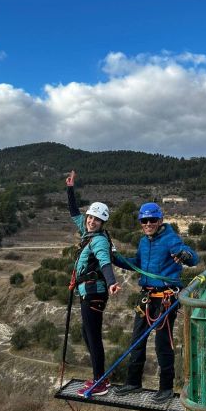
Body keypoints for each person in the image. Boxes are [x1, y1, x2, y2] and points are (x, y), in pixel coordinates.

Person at [114, 202, 198, 402]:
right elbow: (137, 263)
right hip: (146, 297)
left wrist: (187, 255)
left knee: (162, 344)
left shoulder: (170, 239)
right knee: (137, 340)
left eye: (152, 220)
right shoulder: (144, 242)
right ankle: (133, 382)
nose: (148, 223)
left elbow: (192, 258)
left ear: (160, 220)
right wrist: (114, 258)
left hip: (165, 299)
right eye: (144, 220)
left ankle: (166, 388)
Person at [66, 170, 121, 396]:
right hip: (87, 293)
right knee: (87, 333)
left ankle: (100, 381)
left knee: (93, 335)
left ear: (102, 223)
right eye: (90, 217)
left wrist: (112, 282)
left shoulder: (98, 241)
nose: (91, 221)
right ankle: (100, 377)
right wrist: (70, 189)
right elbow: (73, 213)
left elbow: (105, 262)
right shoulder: (87, 231)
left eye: (96, 219)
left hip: (95, 293)